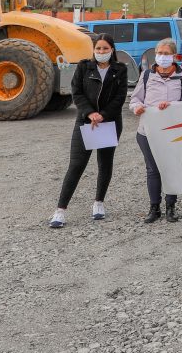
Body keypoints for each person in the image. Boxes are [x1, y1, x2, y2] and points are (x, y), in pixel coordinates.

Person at [48, 34, 129, 228]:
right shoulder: (84, 67)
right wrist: (90, 113)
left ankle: (99, 203)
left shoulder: (120, 69)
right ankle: (60, 211)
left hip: (109, 122)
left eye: (105, 49)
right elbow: (77, 92)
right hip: (85, 122)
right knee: (76, 165)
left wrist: (103, 115)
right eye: (98, 49)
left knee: (105, 163)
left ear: (112, 50)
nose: (101, 52)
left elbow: (120, 96)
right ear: (93, 50)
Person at [130, 38, 182, 224]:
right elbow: (135, 99)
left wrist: (172, 105)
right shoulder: (147, 75)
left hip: (173, 131)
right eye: (160, 53)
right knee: (152, 169)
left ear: (174, 56)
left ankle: (171, 207)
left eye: (166, 54)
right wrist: (137, 107)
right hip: (147, 131)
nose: (162, 57)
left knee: (170, 169)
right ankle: (154, 207)